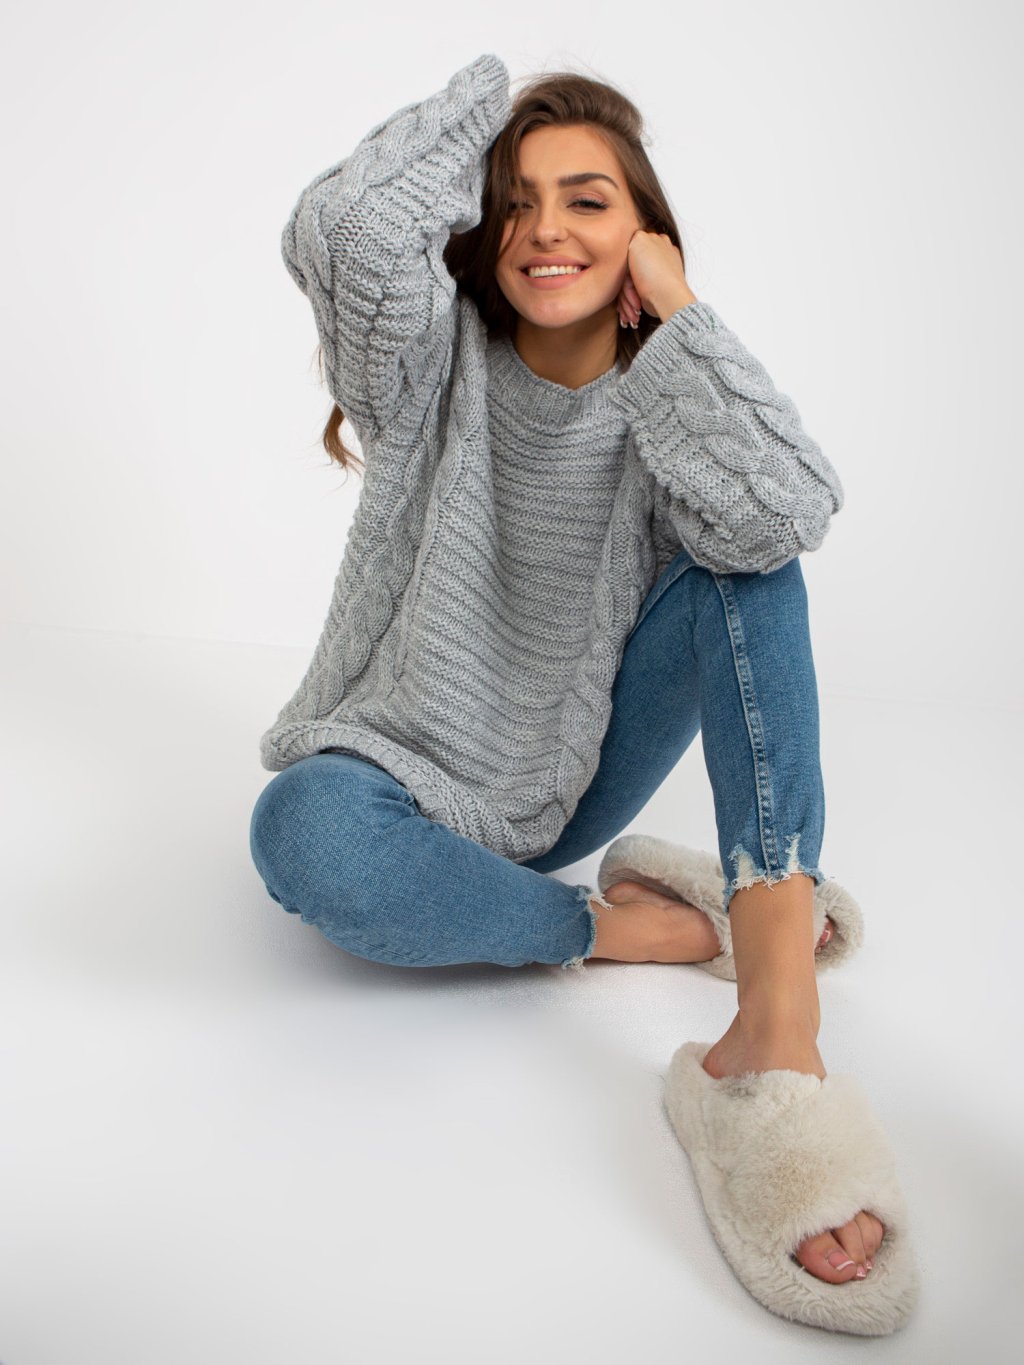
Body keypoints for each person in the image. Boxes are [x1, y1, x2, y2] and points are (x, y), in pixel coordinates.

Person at [249, 53, 898, 1319]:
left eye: (587, 200)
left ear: (642, 229)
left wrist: (679, 309)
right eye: (516, 203)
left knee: (748, 559)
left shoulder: (668, 402)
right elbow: (345, 225)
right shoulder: (428, 368)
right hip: (391, 775)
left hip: (565, 778)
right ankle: (630, 928)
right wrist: (493, 96)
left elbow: (787, 512)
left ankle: (774, 1024)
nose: (546, 228)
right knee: (300, 831)